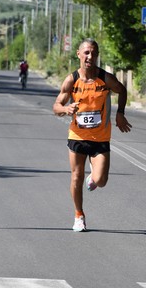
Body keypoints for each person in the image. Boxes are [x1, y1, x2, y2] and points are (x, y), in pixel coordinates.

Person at [53, 38, 132, 232]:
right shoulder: (71, 80)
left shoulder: (105, 78)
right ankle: (79, 215)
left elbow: (122, 90)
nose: (90, 56)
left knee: (101, 181)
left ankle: (93, 179)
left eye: (94, 53)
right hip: (77, 136)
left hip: (100, 138)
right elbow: (56, 106)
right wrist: (65, 108)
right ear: (78, 54)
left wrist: (120, 113)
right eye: (86, 53)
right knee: (75, 177)